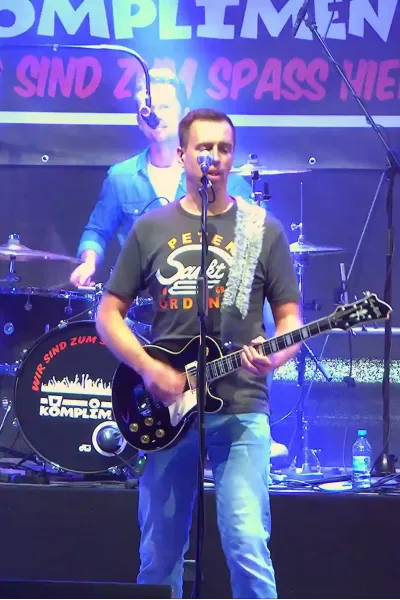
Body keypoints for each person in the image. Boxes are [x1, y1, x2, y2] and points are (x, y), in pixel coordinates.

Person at [96, 108, 302, 599]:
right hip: (167, 409)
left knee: (248, 546)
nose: (214, 156)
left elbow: (290, 319)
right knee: (159, 554)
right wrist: (147, 368)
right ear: (182, 154)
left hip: (242, 407)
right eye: (204, 147)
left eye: (224, 148)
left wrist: (275, 357)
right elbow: (108, 314)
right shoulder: (151, 228)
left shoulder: (261, 230)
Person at [70, 69, 252, 287]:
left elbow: (258, 236)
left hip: (206, 294)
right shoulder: (121, 177)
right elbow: (97, 231)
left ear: (185, 116)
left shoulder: (218, 175)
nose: (155, 116)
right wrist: (88, 262)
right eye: (148, 109)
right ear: (139, 120)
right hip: (141, 295)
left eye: (165, 107)